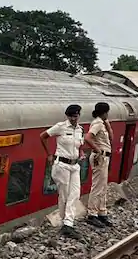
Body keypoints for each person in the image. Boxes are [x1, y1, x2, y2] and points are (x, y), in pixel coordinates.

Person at [40, 104, 84, 238]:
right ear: (67, 116)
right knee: (64, 195)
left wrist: (80, 152)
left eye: (75, 116)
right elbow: (43, 136)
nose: (73, 119)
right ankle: (65, 223)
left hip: (75, 165)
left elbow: (78, 145)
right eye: (71, 116)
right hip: (62, 165)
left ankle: (68, 223)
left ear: (78, 116)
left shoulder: (80, 130)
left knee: (75, 193)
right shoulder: (60, 126)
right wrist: (49, 154)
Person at [83, 102, 113, 228]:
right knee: (97, 186)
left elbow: (111, 137)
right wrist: (97, 149)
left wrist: (107, 123)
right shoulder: (97, 123)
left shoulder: (103, 123)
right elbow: (88, 137)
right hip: (100, 156)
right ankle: (92, 214)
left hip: (105, 157)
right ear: (105, 112)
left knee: (103, 186)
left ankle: (102, 212)